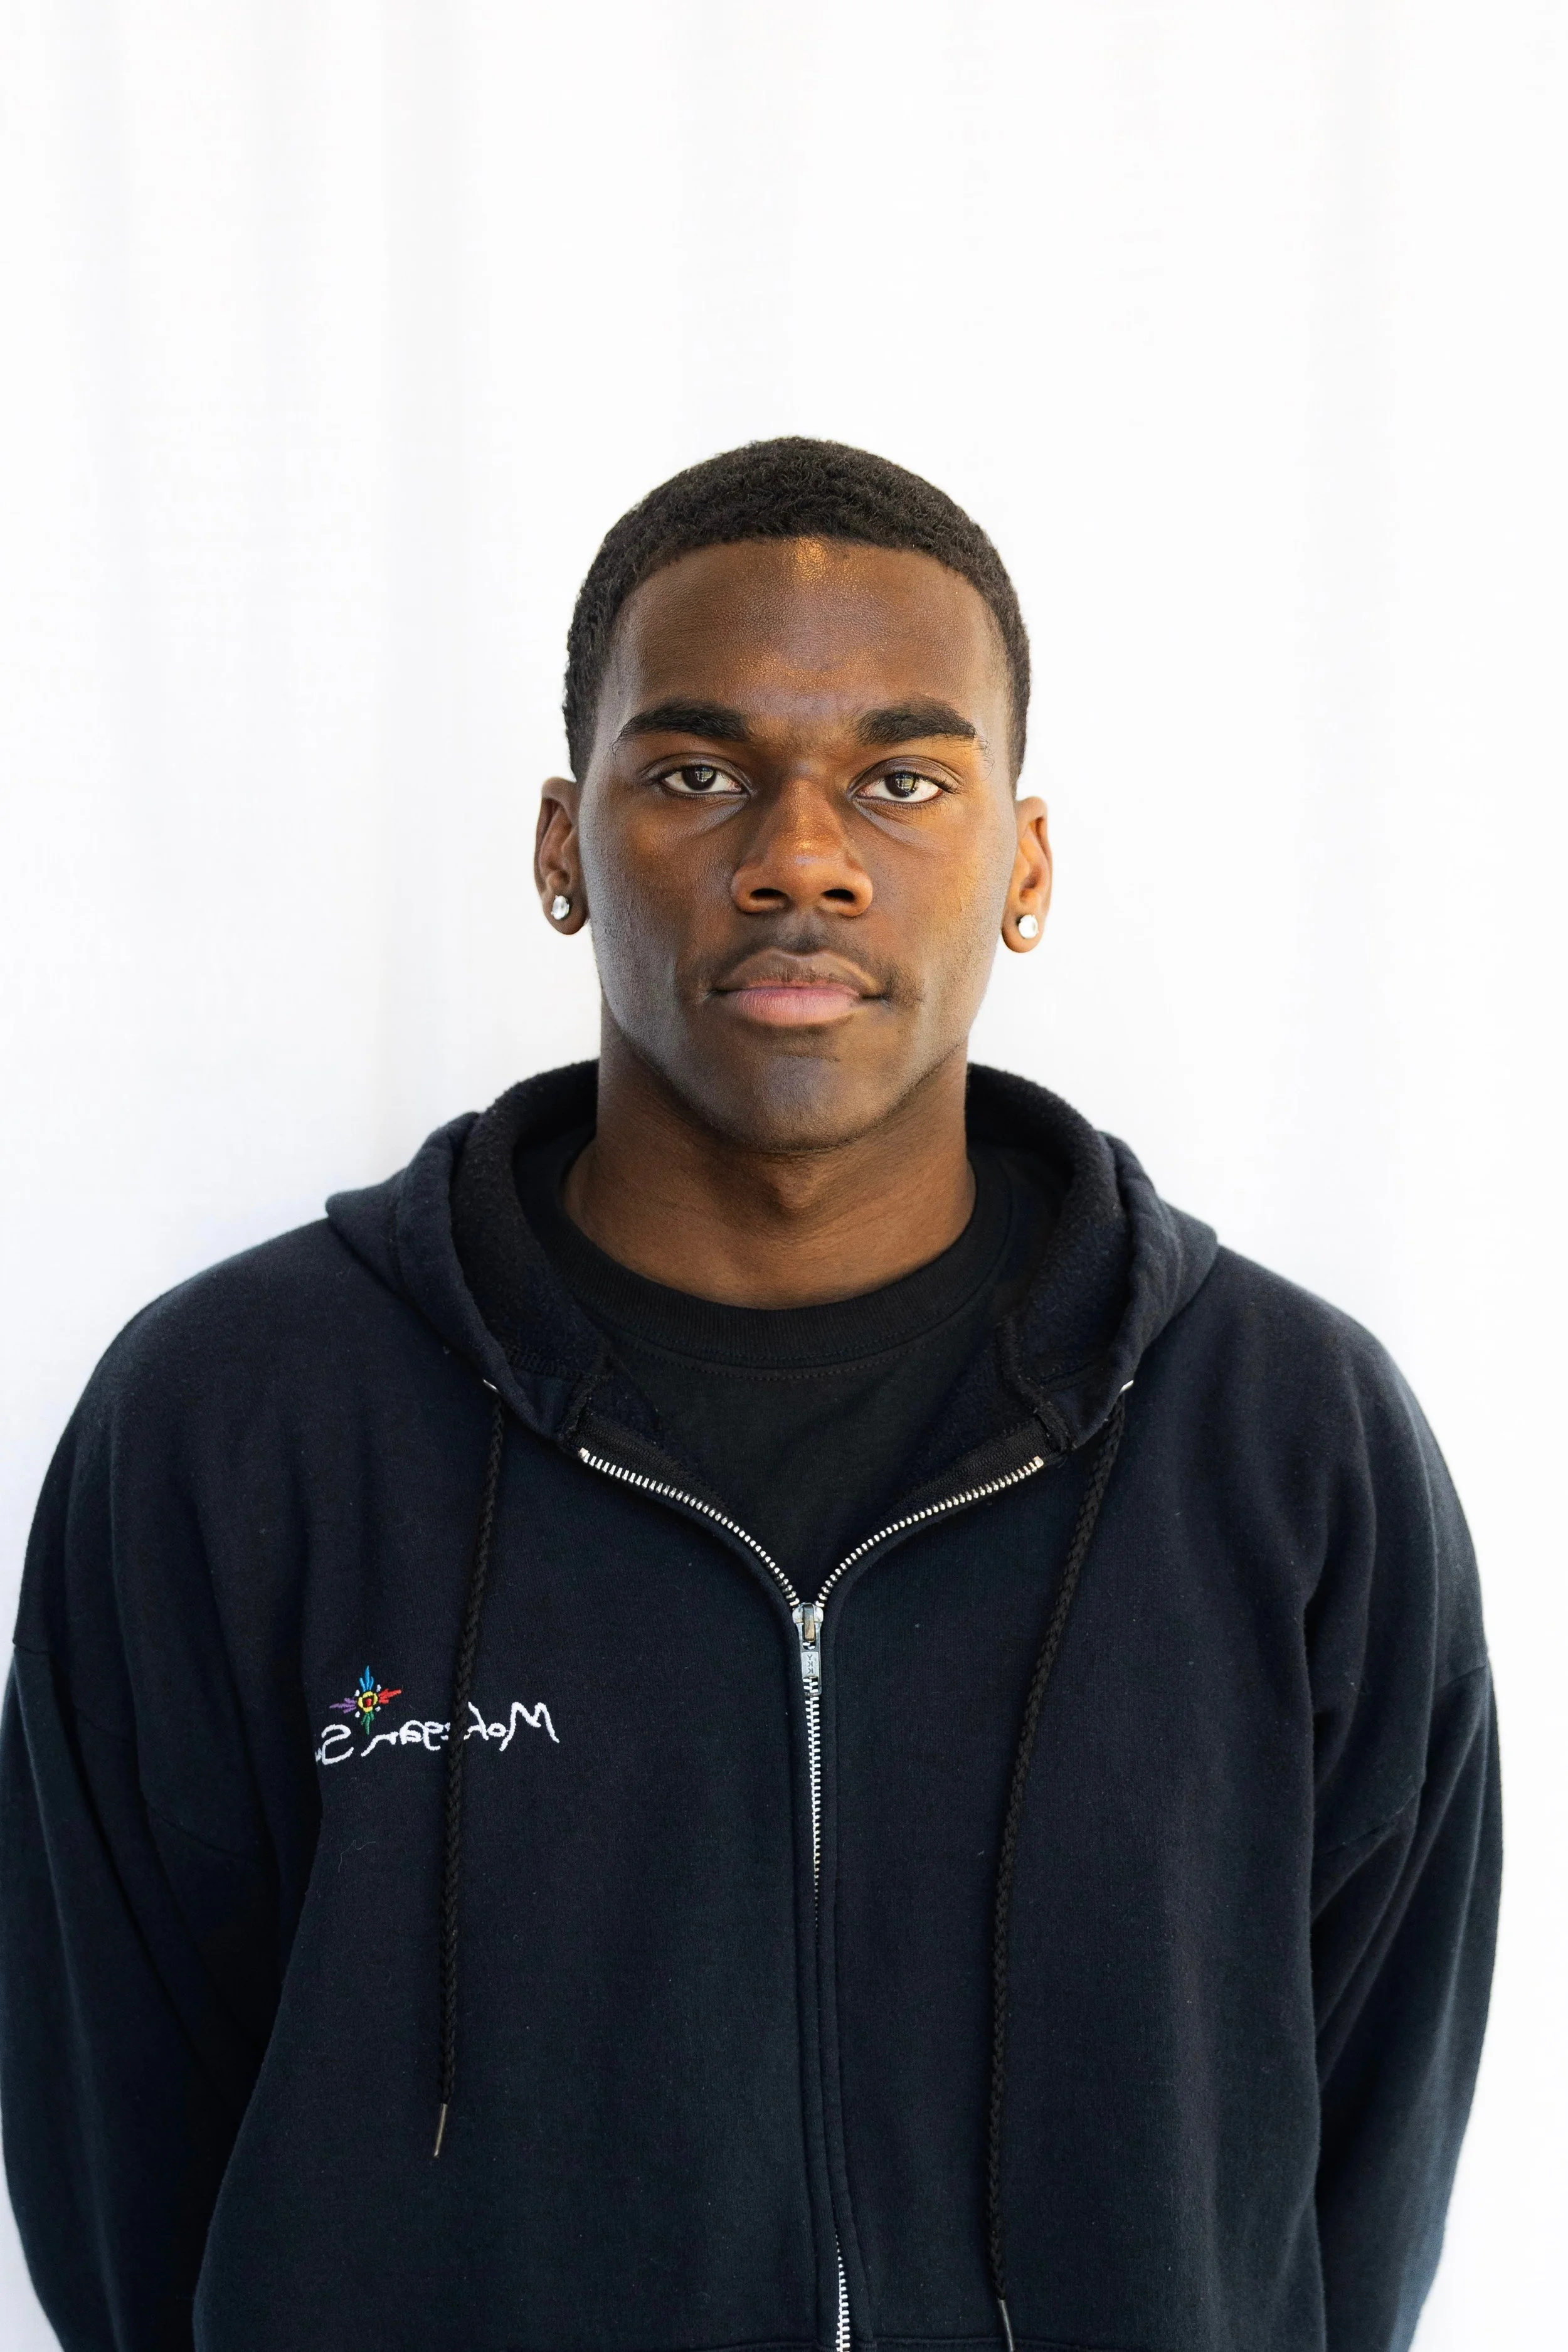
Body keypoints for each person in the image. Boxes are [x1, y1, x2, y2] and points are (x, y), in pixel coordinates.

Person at [0, 439, 1498, 2352]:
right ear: (562, 847)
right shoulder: (234, 1426)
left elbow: (1345, 2195)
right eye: (698, 773)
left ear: (1022, 861)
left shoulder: (1291, 1447)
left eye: (902, 775)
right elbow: (122, 2170)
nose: (801, 855)